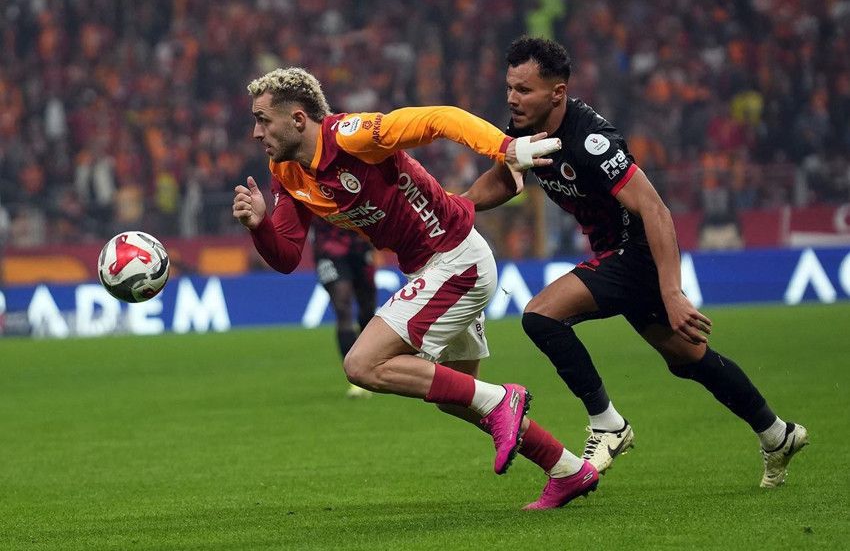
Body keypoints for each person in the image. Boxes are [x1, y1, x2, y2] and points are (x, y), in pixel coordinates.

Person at [232, 67, 597, 509]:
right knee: (458, 397)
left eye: (263, 120)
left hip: (457, 261)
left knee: (363, 364)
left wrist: (505, 148)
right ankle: (567, 469)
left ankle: (504, 399)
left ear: (296, 119)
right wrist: (259, 226)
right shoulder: (286, 171)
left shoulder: (350, 136)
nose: (256, 132)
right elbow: (288, 256)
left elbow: (439, 118)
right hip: (432, 269)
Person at [464, 36, 808, 488]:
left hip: (638, 252)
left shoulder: (592, 142)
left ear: (558, 92)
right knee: (688, 359)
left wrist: (672, 291)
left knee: (541, 316)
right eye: (510, 87)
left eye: (524, 90)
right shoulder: (523, 129)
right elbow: (505, 180)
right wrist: (457, 204)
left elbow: (655, 210)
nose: (512, 98)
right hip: (614, 254)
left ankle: (608, 424)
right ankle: (777, 434)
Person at [311, 217, 377, 398]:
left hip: (360, 244)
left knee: (367, 310)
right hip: (328, 248)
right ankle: (356, 377)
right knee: (342, 307)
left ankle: (372, 363)